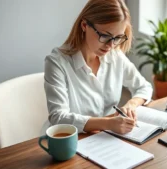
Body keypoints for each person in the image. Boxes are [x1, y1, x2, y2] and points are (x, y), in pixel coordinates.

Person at [43, 0, 152, 135]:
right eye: (105, 35)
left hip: (104, 138)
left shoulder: (115, 56)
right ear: (84, 25)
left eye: (118, 37)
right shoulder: (56, 62)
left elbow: (144, 87)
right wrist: (108, 123)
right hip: (68, 140)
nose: (111, 45)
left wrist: (131, 104)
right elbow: (58, 118)